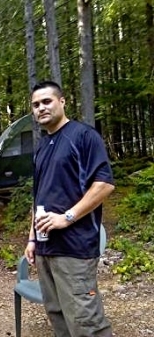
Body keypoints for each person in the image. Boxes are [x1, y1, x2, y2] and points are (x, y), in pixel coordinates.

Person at [24, 80, 114, 337]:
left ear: (62, 102)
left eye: (47, 101)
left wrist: (67, 217)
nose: (41, 108)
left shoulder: (83, 136)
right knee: (58, 316)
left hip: (75, 247)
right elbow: (38, 196)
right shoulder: (42, 146)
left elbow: (104, 184)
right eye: (36, 104)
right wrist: (32, 239)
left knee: (85, 321)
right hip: (45, 246)